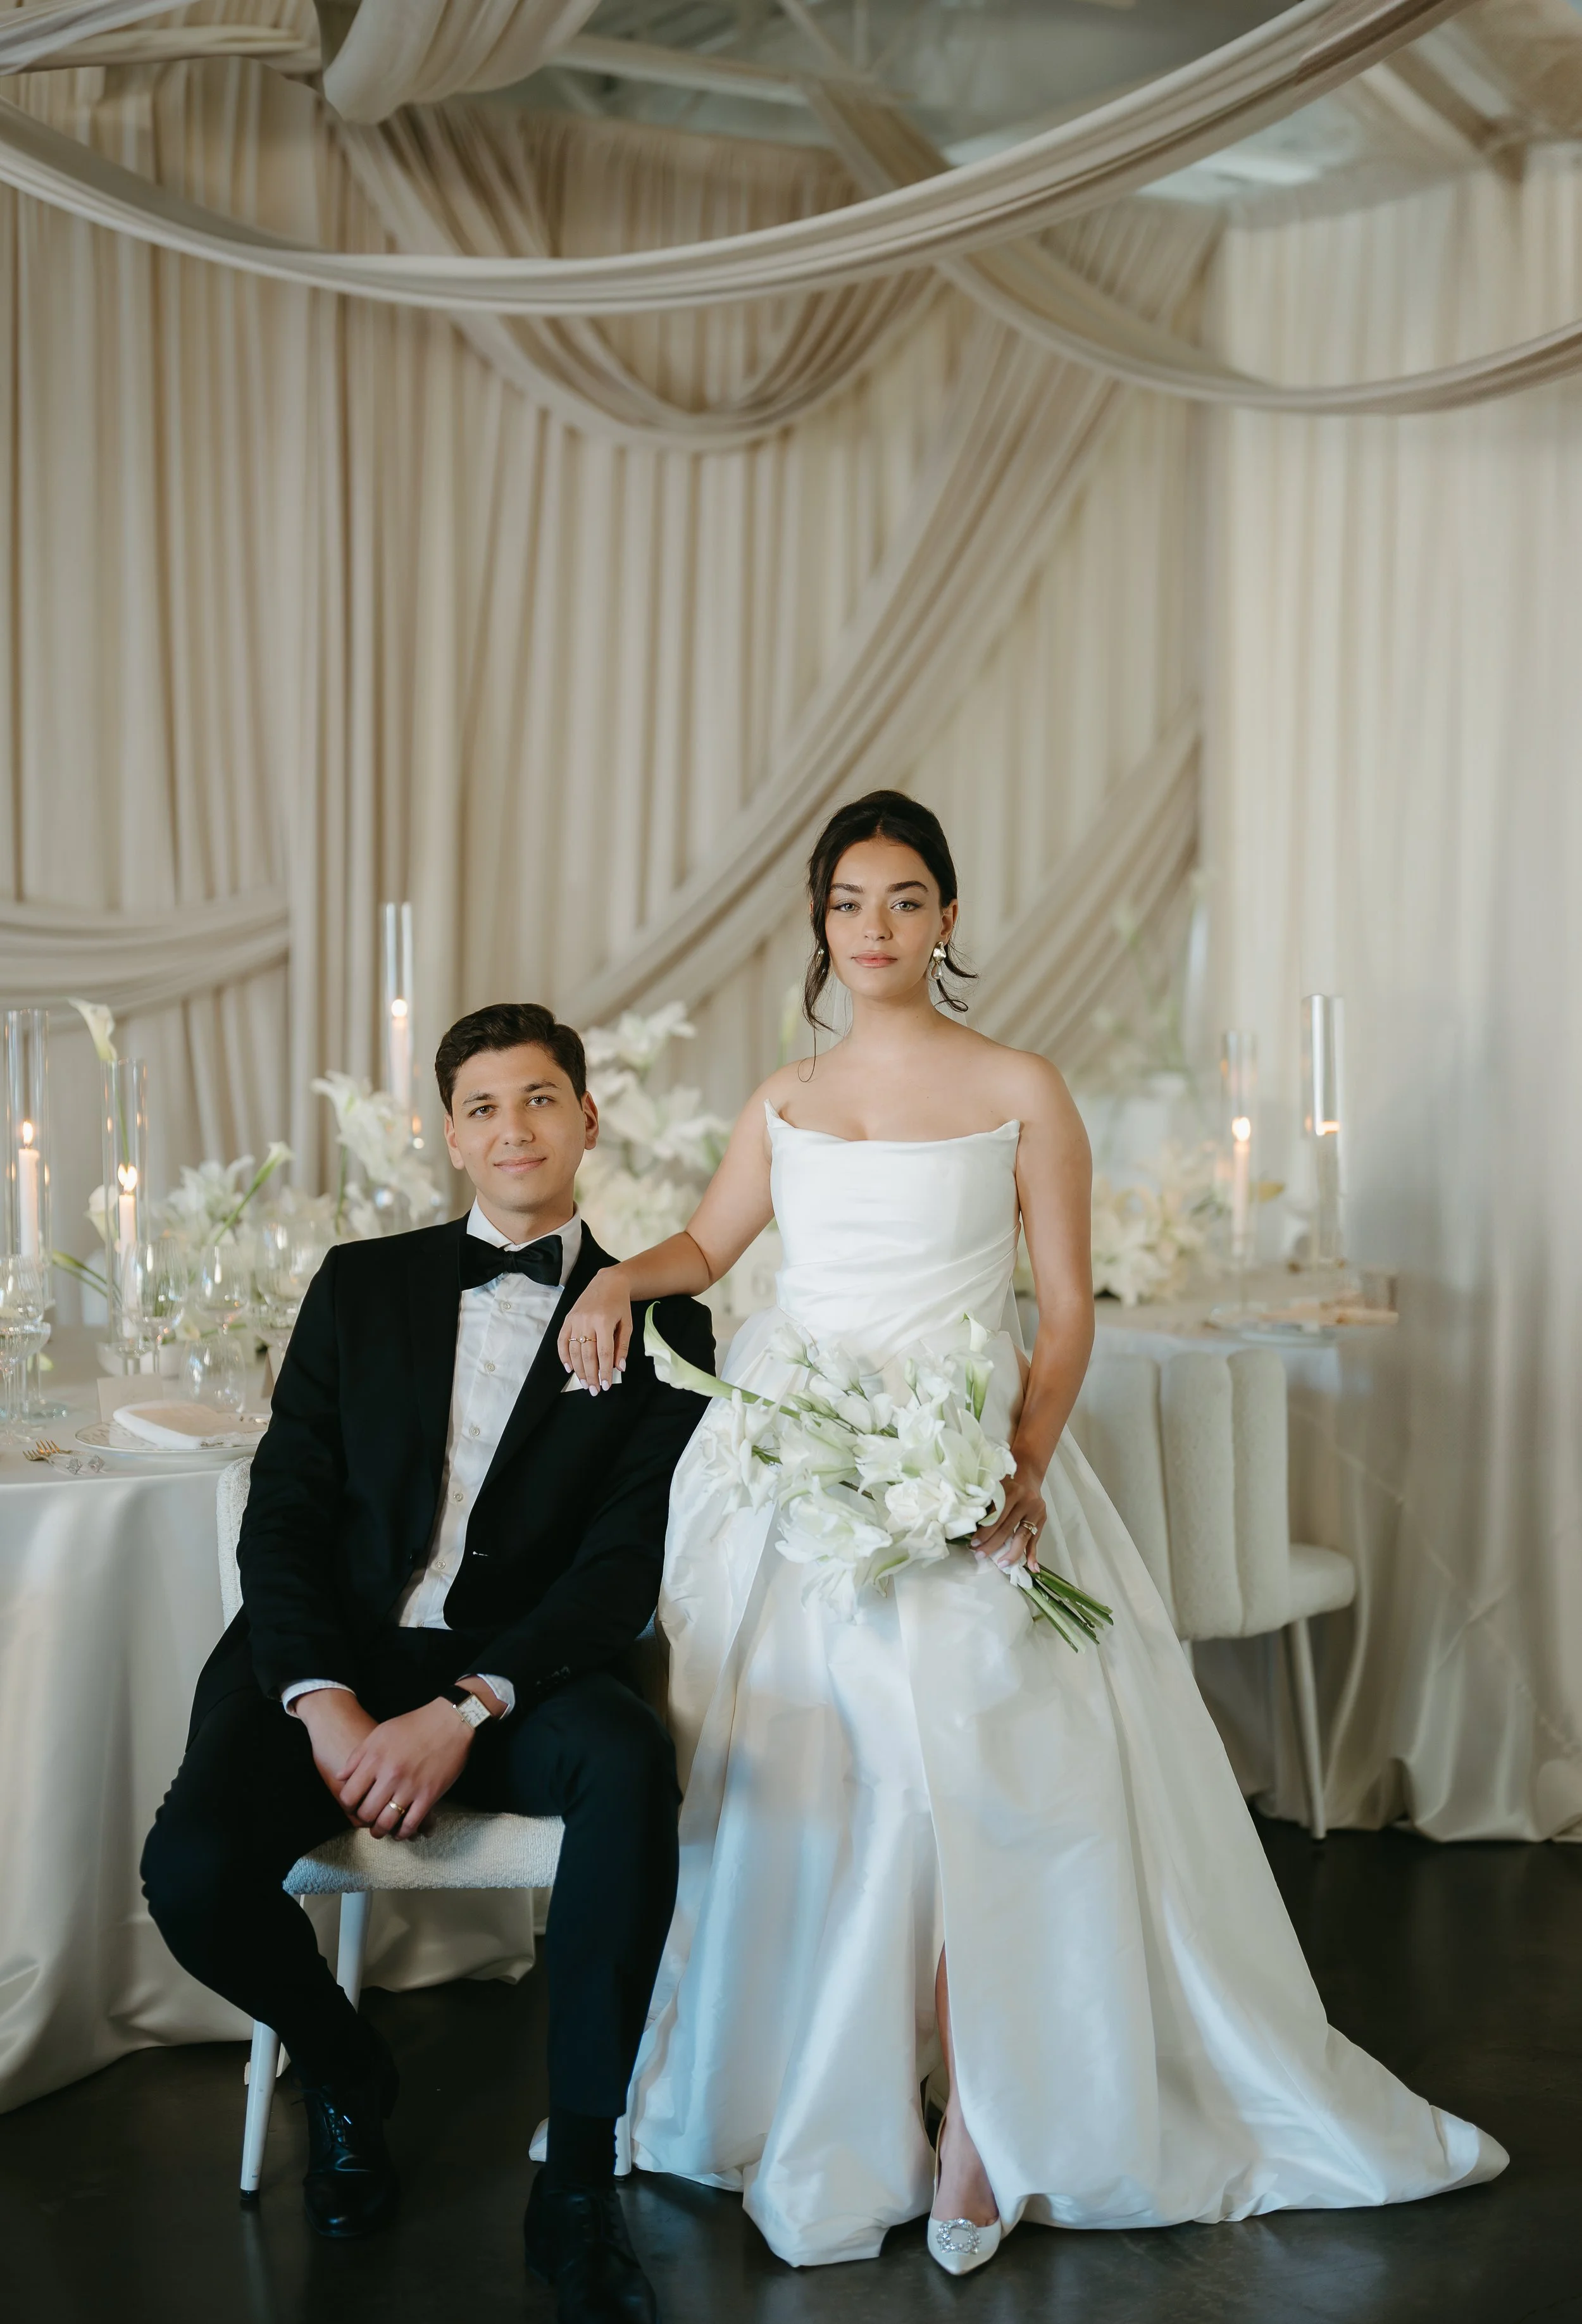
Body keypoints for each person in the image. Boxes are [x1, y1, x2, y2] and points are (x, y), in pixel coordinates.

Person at [556, 793, 1507, 2273]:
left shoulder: (1019, 1086)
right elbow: (710, 1246)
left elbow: (1063, 1312)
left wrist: (1018, 1463)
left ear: (946, 919)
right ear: (819, 926)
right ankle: (820, 2081)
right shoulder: (782, 1100)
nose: (874, 928)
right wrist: (620, 1279)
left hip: (964, 1453)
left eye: (905, 900)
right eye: (850, 902)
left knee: (986, 1754)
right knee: (818, 1762)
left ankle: (984, 2120)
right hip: (795, 1462)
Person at [141, 1002, 714, 2324]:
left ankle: (576, 2175)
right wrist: (325, 1702)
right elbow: (281, 1513)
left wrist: (468, 1704)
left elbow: (618, 1574)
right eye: (481, 1107)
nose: (511, 1127)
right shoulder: (359, 1284)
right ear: (445, 1136)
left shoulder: (663, 1326)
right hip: (329, 1660)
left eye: (537, 1099)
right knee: (191, 1872)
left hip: (520, 1675)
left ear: (587, 1117)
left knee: (631, 1768)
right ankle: (348, 2071)